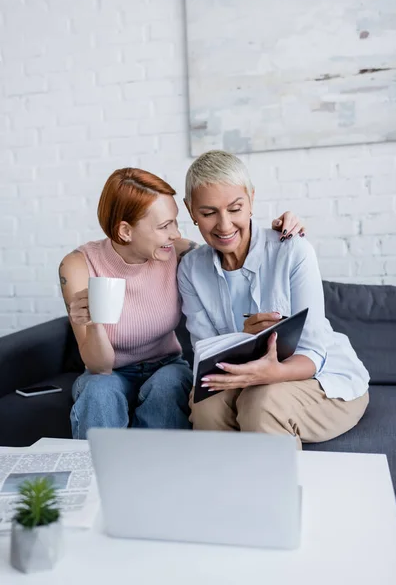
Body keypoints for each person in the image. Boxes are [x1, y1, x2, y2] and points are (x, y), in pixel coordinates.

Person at [59, 167, 304, 439]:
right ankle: (96, 476)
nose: (175, 233)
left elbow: (232, 247)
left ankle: (161, 476)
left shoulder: (179, 253)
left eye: (175, 221)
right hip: (108, 371)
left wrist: (279, 232)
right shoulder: (78, 266)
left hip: (166, 365)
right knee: (98, 391)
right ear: (126, 231)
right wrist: (93, 323)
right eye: (165, 226)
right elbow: (100, 367)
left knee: (170, 384)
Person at [178, 150, 369, 447]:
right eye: (208, 213)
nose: (224, 225)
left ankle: (277, 491)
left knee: (262, 402)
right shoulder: (191, 269)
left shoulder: (292, 250)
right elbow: (206, 355)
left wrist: (272, 372)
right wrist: (243, 339)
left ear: (252, 200)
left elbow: (314, 352)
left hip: (320, 375)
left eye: (235, 208)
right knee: (205, 403)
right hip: (244, 375)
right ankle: (221, 488)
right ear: (190, 211)